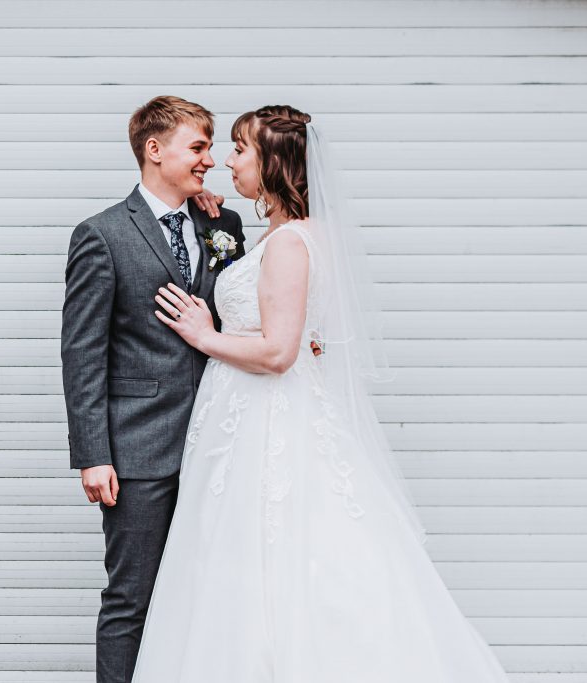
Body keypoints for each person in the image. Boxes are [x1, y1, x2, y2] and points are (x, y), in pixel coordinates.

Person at [129, 105, 513, 681]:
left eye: (241, 149)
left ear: (275, 163)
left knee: (260, 566)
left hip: (264, 423)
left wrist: (206, 335)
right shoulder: (286, 235)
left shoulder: (288, 245)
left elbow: (280, 352)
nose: (228, 161)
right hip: (253, 417)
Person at [61, 95, 246, 683]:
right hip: (141, 448)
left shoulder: (223, 225)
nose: (210, 161)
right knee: (132, 598)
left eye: (213, 149)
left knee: (210, 594)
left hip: (222, 438)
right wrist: (94, 454)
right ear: (153, 149)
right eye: (198, 148)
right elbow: (82, 351)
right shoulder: (102, 235)